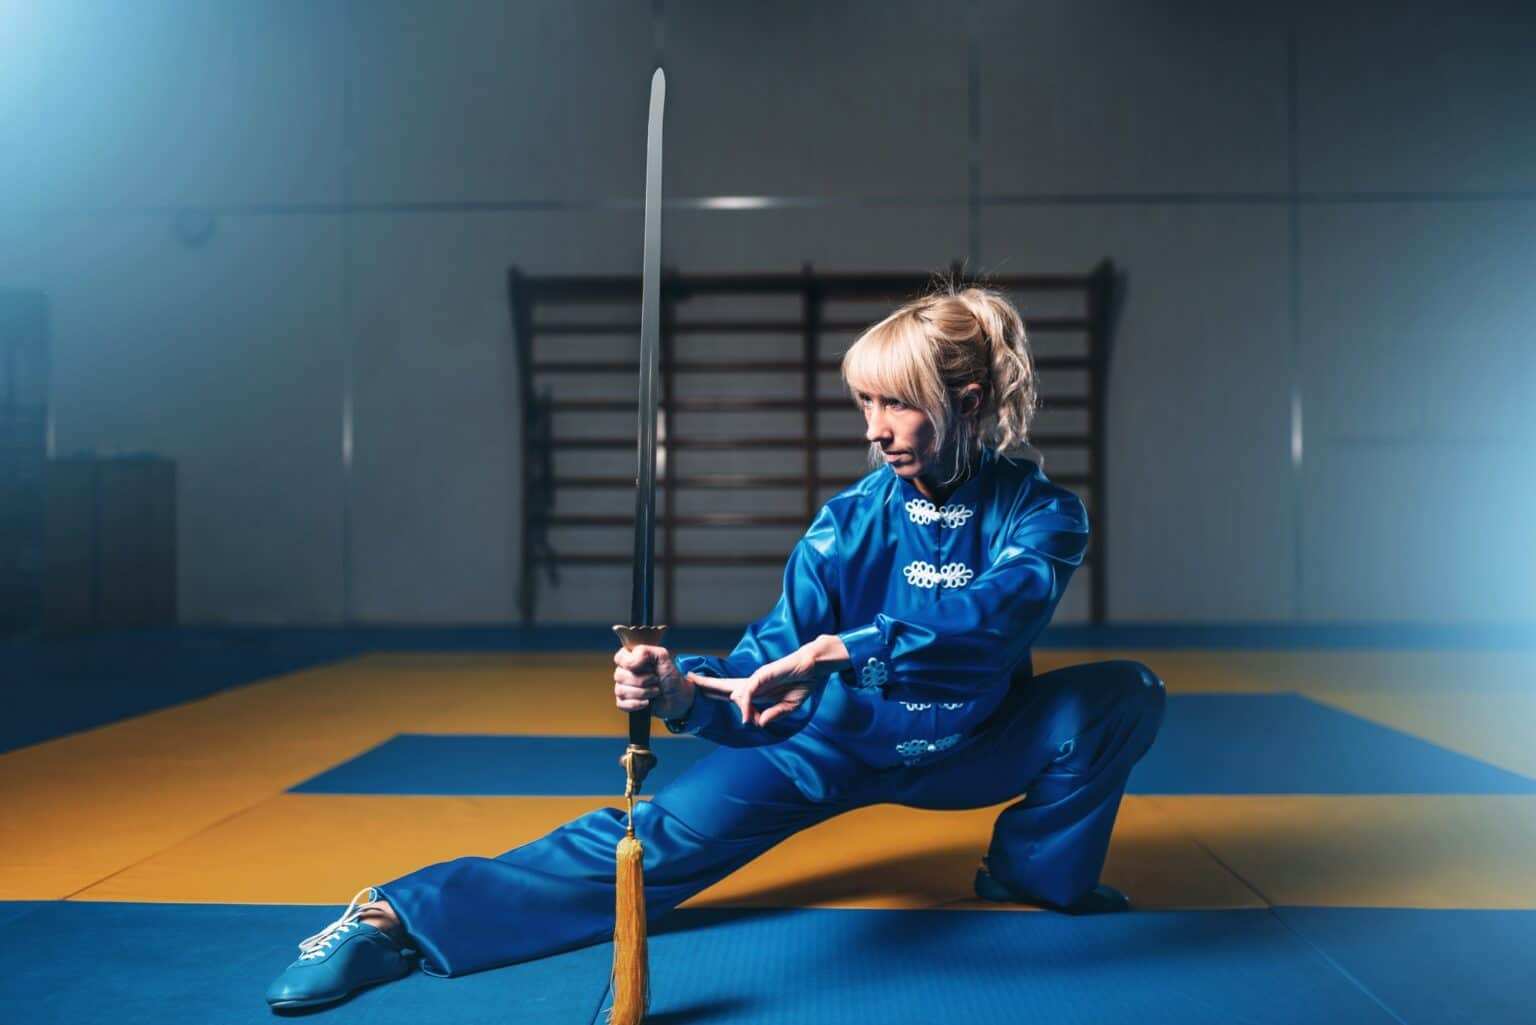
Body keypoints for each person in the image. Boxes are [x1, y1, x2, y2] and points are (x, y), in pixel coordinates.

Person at [264, 283, 1166, 1011]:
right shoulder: (843, 526)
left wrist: (838, 652)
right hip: (826, 749)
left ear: (967, 403)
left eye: (899, 404)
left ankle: (1029, 874)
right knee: (641, 845)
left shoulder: (1043, 513)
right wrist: (686, 689)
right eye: (866, 402)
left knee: (1122, 693)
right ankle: (395, 921)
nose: (874, 427)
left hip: (970, 743)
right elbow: (764, 664)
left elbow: (992, 622)